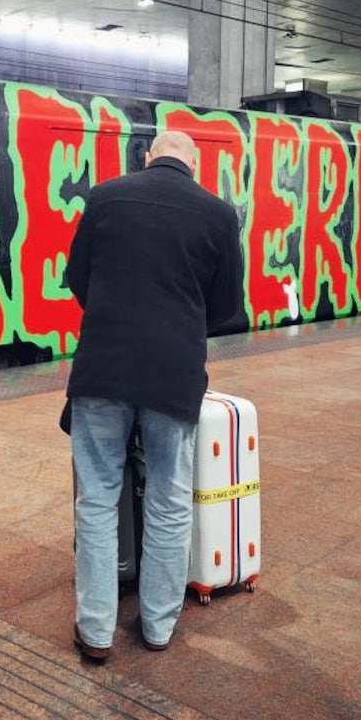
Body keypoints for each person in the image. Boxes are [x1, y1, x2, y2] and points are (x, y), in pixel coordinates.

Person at [64, 130, 241, 661]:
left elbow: (78, 280)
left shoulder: (104, 197)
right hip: (173, 373)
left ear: (148, 157)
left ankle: (96, 632)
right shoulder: (219, 214)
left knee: (97, 496)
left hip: (104, 367)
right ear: (195, 164)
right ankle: (158, 627)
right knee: (169, 497)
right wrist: (181, 328)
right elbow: (227, 307)